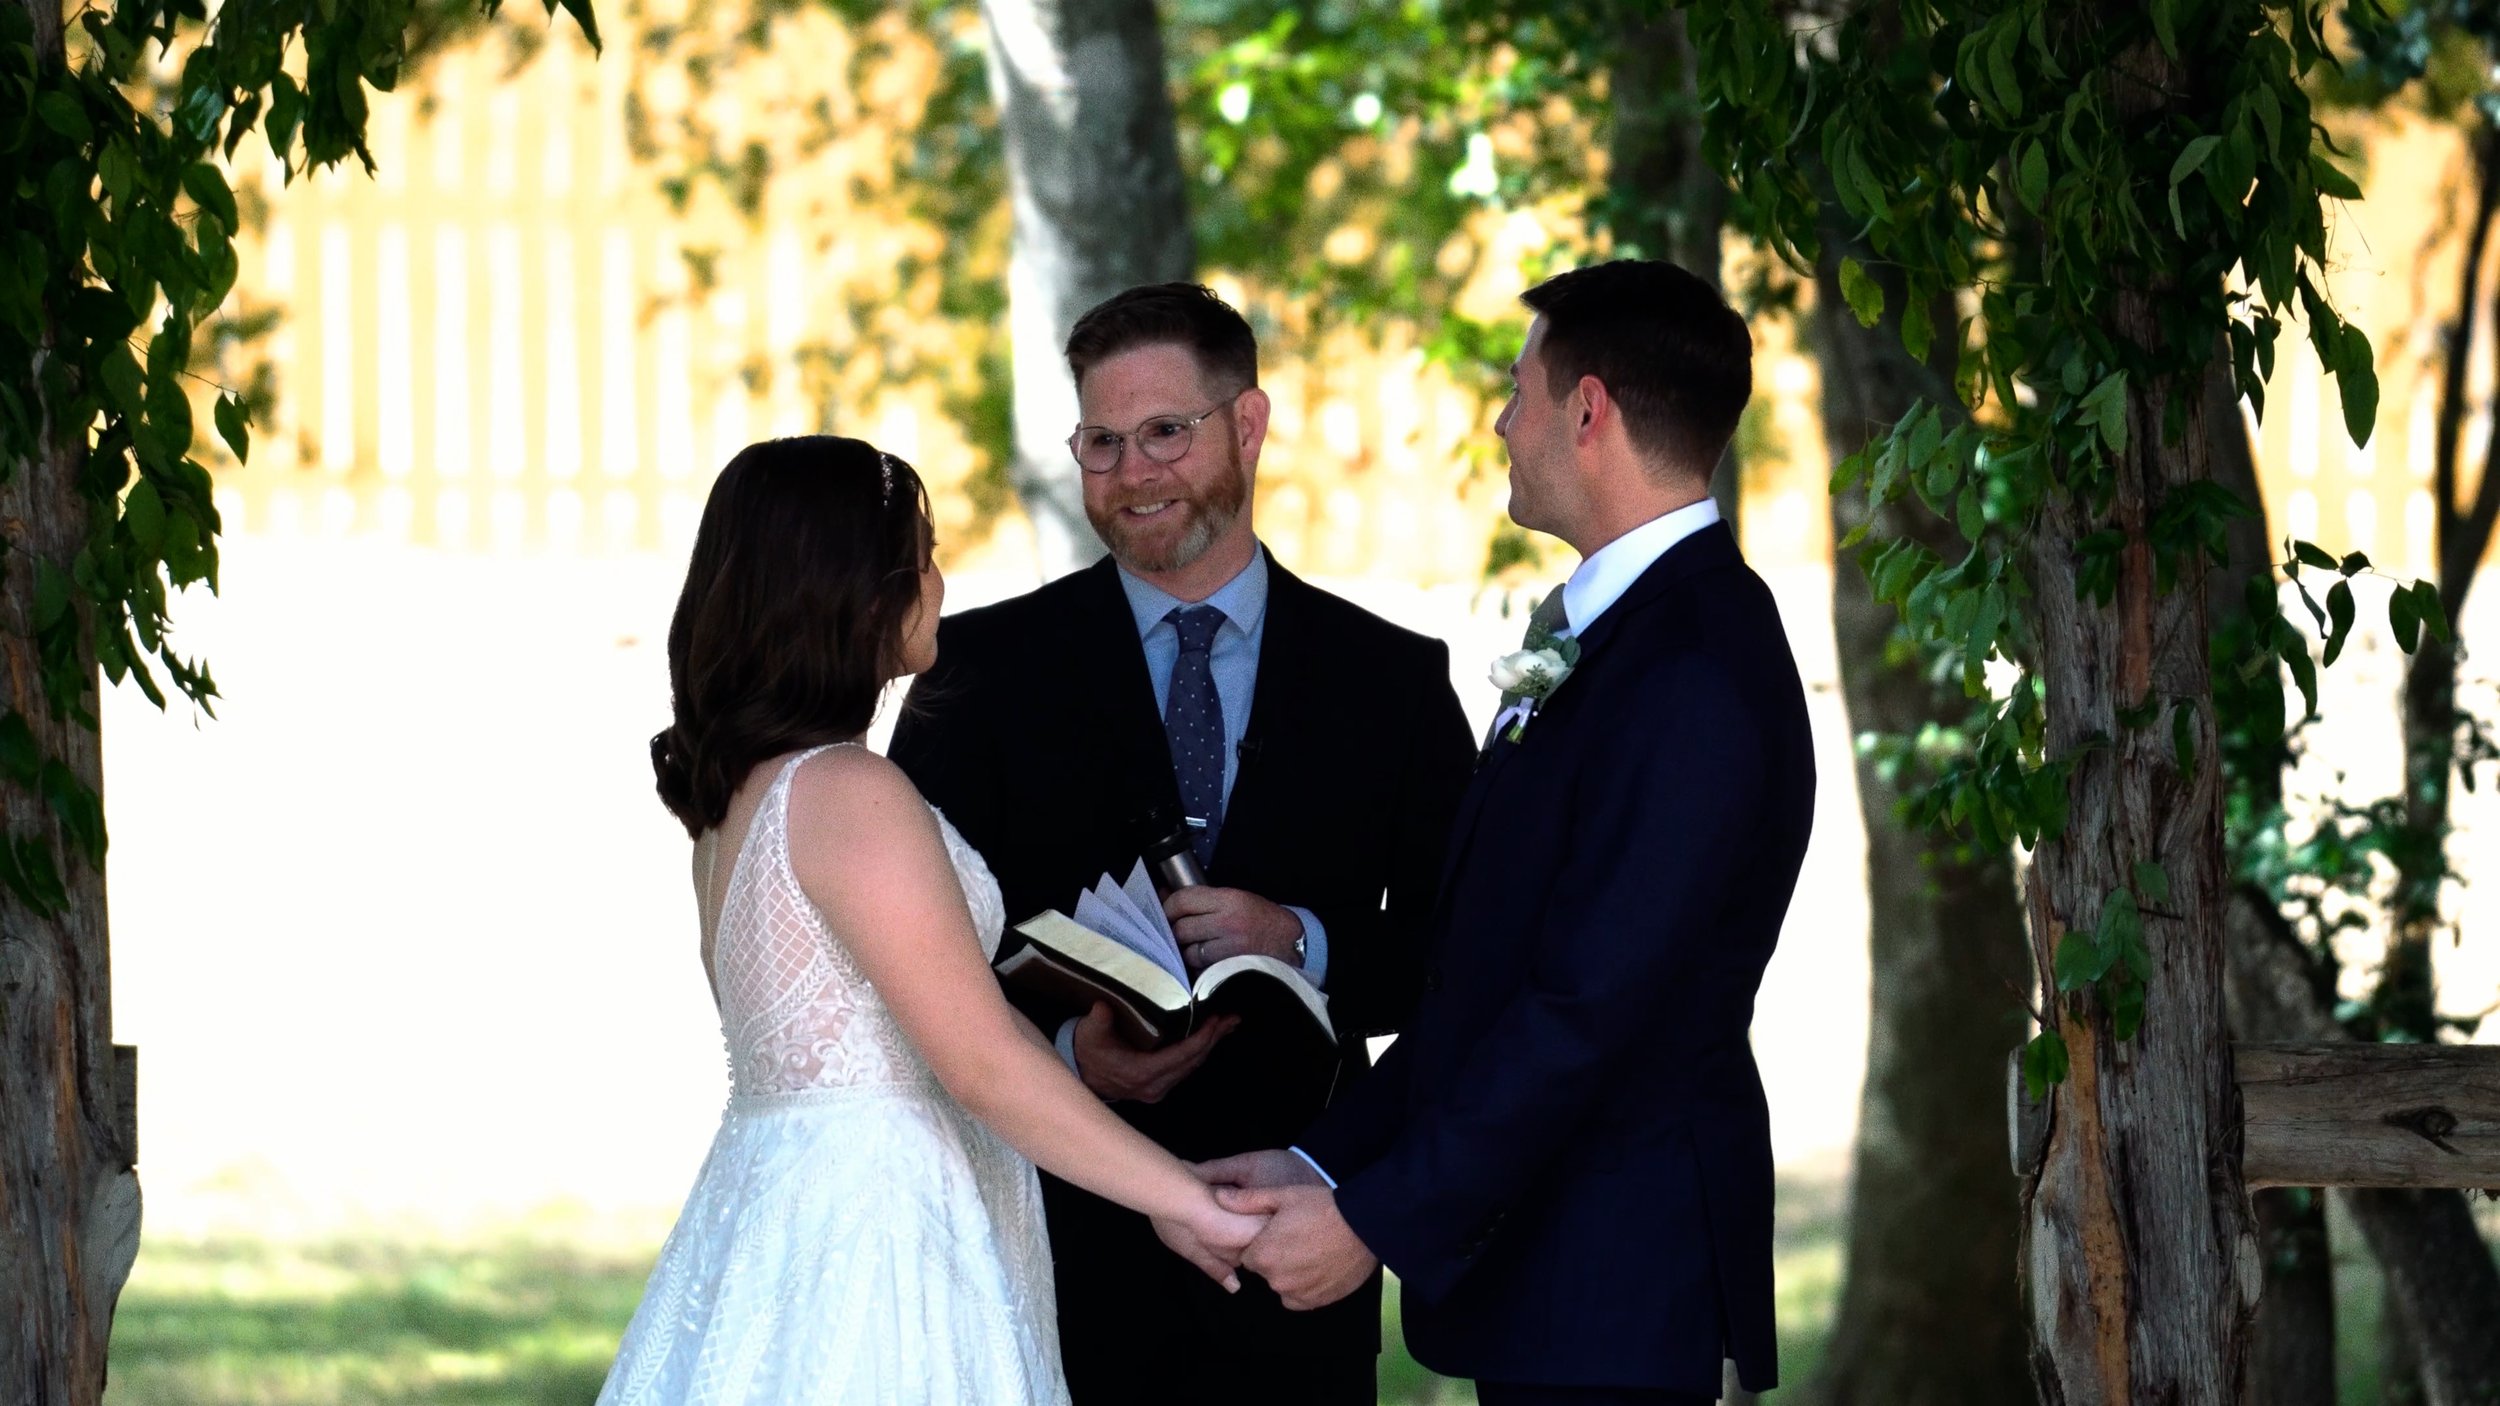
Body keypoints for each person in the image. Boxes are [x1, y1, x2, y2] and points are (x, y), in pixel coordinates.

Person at [1204, 260, 1817, 1406]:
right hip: (1551, 1267)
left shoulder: (1694, 665)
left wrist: (1372, 1218)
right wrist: (1323, 1155)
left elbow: (1587, 1010)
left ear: (1588, 411)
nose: (1500, 420)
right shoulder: (1623, 630)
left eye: (1518, 389)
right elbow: (1482, 972)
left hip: (1615, 1281)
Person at [890, 283, 1476, 1406]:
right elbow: (908, 960)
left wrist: (1298, 937)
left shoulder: (1392, 681)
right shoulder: (978, 671)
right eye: (1100, 442)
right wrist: (1068, 1049)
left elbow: (1462, 960)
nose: (1131, 471)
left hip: (1291, 1245)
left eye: (1166, 431)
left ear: (1247, 425)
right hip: (1051, 1248)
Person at [598, 436, 1263, 1406]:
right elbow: (981, 1063)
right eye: (922, 553)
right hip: (878, 1243)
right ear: (857, 588)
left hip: (781, 1211)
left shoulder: (746, 794)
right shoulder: (846, 789)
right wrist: (1183, 1199)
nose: (939, 582)